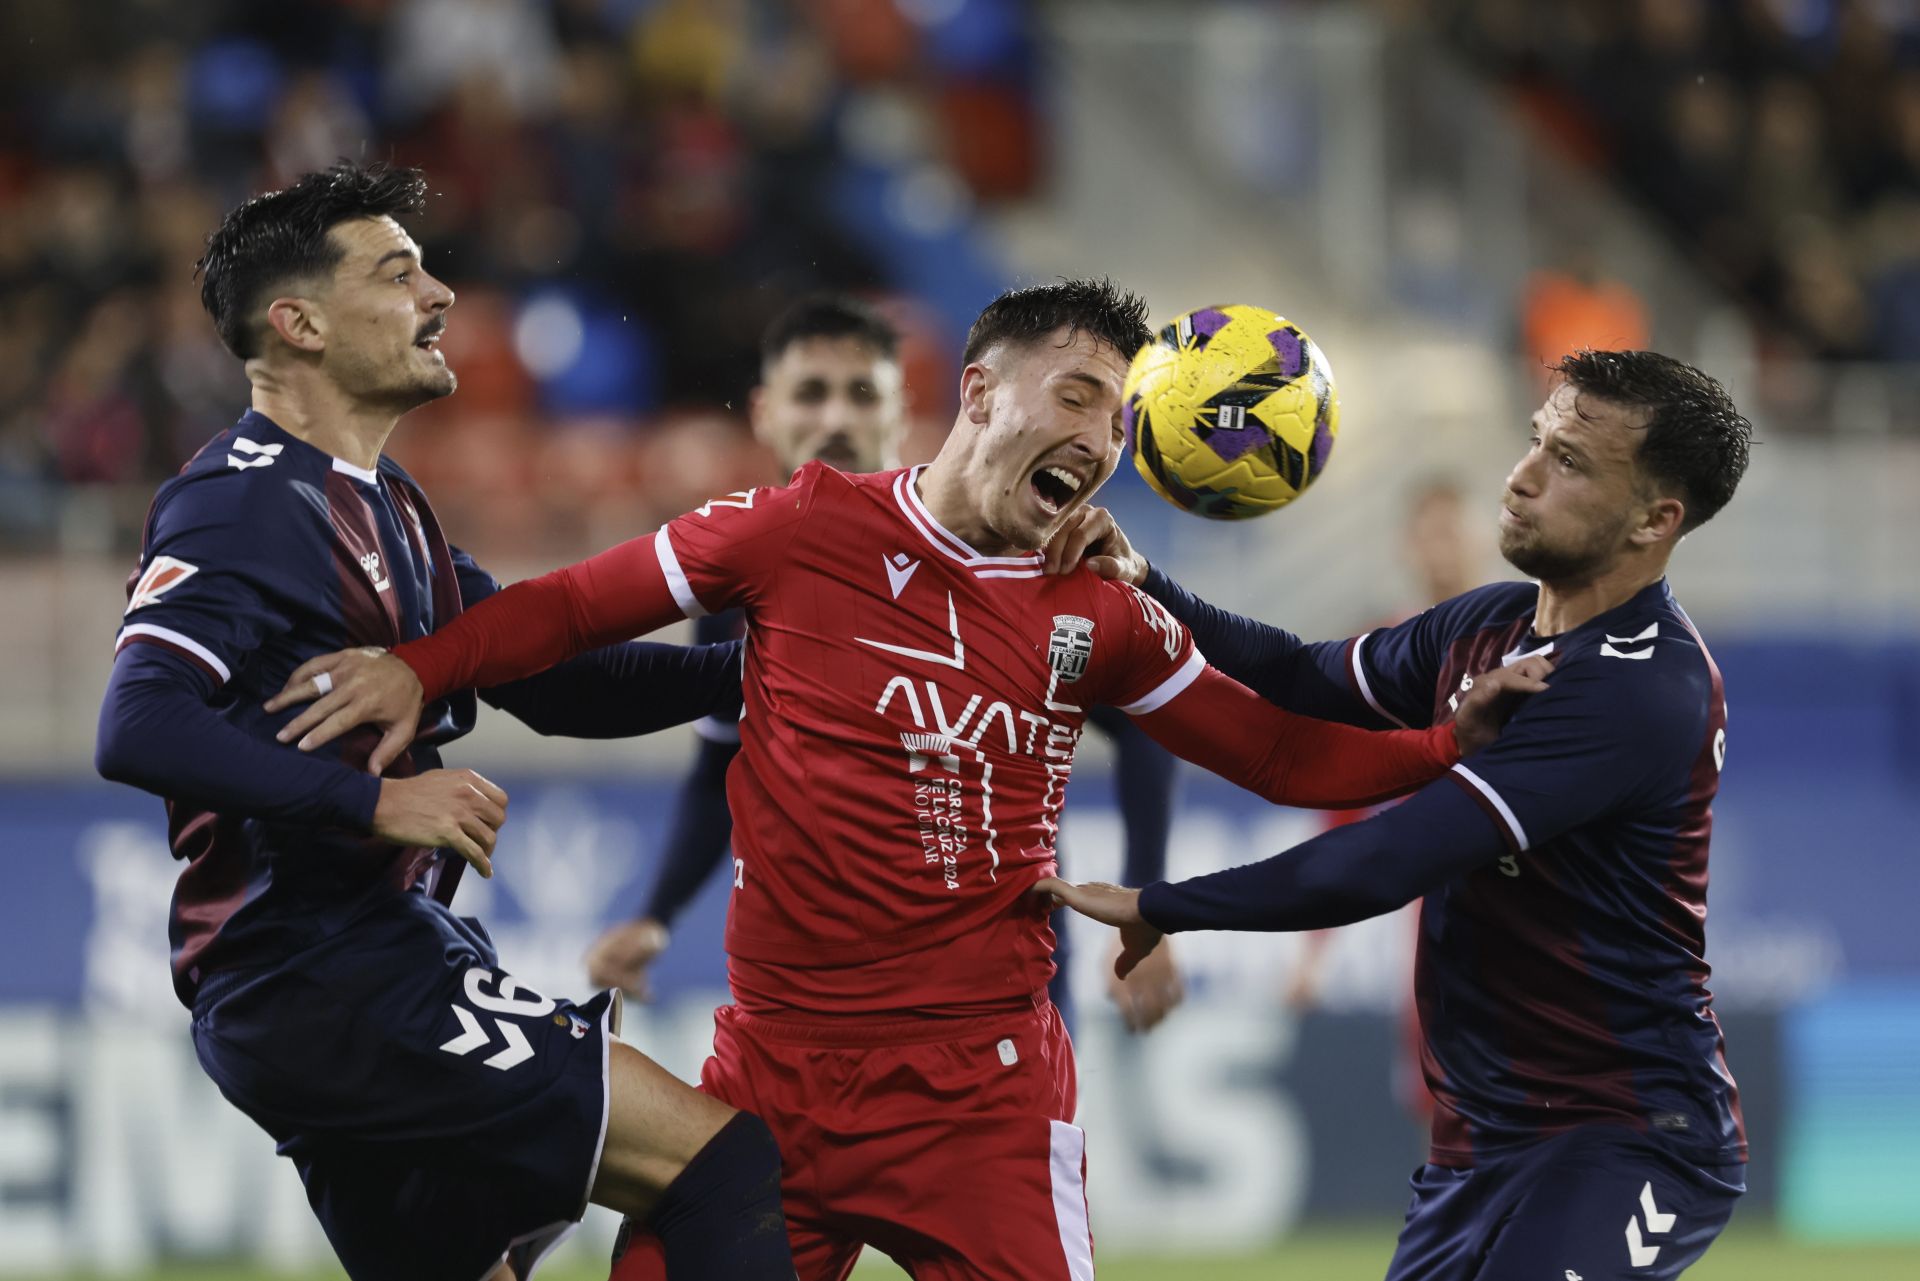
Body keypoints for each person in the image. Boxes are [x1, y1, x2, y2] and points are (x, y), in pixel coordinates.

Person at [268, 279, 1542, 1281]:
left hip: (979, 1095)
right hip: (768, 1084)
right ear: (978, 391)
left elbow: (1273, 749)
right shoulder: (795, 529)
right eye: (1081, 394)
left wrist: (1441, 748)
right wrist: (417, 670)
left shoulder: (1096, 607)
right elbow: (567, 611)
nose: (1101, 440)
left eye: (1118, 421)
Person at [93, 163, 795, 1281]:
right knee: (725, 1169)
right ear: (300, 322)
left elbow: (561, 682)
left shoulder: (388, 506)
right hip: (325, 977)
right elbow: (137, 724)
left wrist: (781, 670)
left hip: (348, 977)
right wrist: (377, 798)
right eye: (397, 270)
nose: (443, 295)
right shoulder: (242, 498)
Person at [1041, 349, 1753, 1280]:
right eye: (1536, 440)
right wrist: (1145, 579)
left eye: (1570, 462)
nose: (1523, 475)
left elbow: (1385, 861)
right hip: (1479, 1143)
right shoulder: (1483, 625)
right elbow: (1301, 676)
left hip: (1627, 1137)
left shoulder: (1640, 689)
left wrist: (1162, 903)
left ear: (1657, 519)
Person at [582, 293, 1186, 1036]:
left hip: (987, 1009)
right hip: (819, 1005)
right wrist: (657, 914)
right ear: (766, 414)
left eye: (862, 393)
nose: (837, 418)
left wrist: (1149, 901)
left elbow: (1150, 728)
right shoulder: (742, 581)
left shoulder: (1020, 554)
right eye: (812, 393)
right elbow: (720, 765)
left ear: (904, 413)